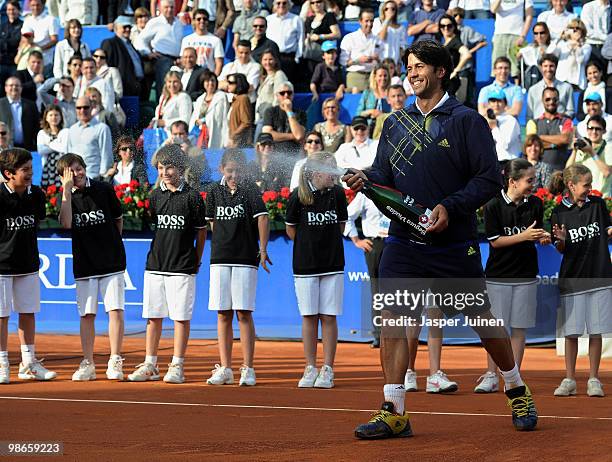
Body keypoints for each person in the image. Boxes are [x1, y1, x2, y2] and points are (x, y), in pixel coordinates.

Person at [345, 40, 538, 439]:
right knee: (394, 322)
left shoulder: (466, 120)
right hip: (401, 243)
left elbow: (488, 178)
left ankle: (515, 385)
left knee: (483, 324)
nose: (412, 73)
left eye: (419, 67)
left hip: (454, 245)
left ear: (440, 71)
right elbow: (383, 176)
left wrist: (450, 206)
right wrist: (366, 181)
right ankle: (394, 409)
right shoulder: (395, 122)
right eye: (409, 67)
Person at [128, 144, 207, 384]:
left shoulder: (193, 197)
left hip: (182, 267)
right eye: (161, 168)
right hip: (155, 266)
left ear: (181, 168)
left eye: (169, 167)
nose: (165, 172)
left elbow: (201, 233)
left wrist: (196, 259)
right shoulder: (154, 196)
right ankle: (150, 364)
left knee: (181, 318)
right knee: (153, 317)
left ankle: (177, 365)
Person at [476, 159, 549, 393]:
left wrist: (544, 236)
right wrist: (525, 236)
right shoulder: (493, 205)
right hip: (498, 275)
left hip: (526, 274)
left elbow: (535, 234)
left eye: (534, 180)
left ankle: (513, 378)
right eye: (529, 180)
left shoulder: (535, 203)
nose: (533, 184)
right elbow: (496, 242)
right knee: (495, 328)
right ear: (512, 181)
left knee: (519, 328)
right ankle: (491, 375)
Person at [57, 153, 126, 382]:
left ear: (84, 168)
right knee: (87, 314)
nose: (76, 174)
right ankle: (88, 362)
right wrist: (66, 191)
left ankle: (115, 359)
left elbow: (118, 218)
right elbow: (66, 224)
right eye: (70, 172)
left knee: (115, 310)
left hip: (111, 261)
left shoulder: (104, 189)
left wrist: (113, 245)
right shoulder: (67, 197)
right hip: (85, 263)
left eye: (78, 169)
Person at [205, 149, 271, 387]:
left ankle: (248, 368)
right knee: (223, 313)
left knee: (243, 313)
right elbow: (211, 222)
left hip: (245, 258)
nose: (233, 175)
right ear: (221, 169)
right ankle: (225, 368)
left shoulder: (251, 190)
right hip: (220, 258)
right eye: (229, 170)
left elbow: (263, 219)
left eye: (237, 170)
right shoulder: (213, 191)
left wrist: (262, 250)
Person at [549, 164, 612, 398]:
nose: (590, 188)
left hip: (600, 275)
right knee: (571, 333)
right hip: (573, 279)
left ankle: (594, 379)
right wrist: (563, 240)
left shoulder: (598, 205)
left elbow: (608, 230)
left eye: (590, 184)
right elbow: (560, 248)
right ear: (571, 185)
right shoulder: (558, 212)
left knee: (596, 331)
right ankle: (570, 379)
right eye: (586, 185)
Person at [285, 151, 347, 388]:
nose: (335, 174)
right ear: (314, 173)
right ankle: (310, 367)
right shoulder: (297, 197)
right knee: (309, 316)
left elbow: (341, 226)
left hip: (332, 263)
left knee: (329, 316)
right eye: (330, 169)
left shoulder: (338, 194)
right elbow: (292, 231)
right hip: (305, 265)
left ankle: (328, 368)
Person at [0, 148, 57, 384]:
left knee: (28, 313)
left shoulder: (37, 195)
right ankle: (2, 363)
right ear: (8, 173)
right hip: (1, 266)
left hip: (29, 264)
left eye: (31, 169)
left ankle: (28, 363)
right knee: (1, 316)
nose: (30, 174)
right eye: (24, 170)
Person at [345, 189, 390, 349]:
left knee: (399, 288)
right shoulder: (365, 194)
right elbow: (347, 215)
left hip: (396, 244)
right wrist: (356, 240)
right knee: (376, 290)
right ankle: (378, 334)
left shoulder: (397, 190)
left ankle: (397, 332)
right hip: (374, 244)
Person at [137, 0, 184, 99]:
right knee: (164, 89)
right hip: (162, 59)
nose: (169, 10)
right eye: (166, 7)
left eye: (172, 7)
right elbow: (140, 39)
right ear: (160, 8)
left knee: (178, 88)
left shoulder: (179, 23)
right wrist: (148, 53)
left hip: (177, 60)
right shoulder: (155, 22)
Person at [525, 86, 573, 171]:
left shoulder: (566, 121)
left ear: (558, 100)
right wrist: (557, 143)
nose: (551, 102)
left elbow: (565, 139)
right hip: (538, 173)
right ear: (542, 101)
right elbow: (531, 144)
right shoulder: (533, 123)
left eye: (554, 99)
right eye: (548, 99)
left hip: (561, 171)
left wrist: (540, 137)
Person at [66, 96, 113, 180]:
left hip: (94, 177)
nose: (82, 110)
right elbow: (69, 154)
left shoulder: (102, 128)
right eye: (79, 108)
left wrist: (103, 177)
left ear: (92, 108)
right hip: (75, 179)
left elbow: (106, 155)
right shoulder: (72, 130)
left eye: (86, 107)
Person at [566, 115, 612, 196]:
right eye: (591, 128)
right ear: (587, 130)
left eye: (597, 129)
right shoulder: (582, 147)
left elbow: (607, 172)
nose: (594, 131)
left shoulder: (608, 147)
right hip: (582, 197)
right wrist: (574, 150)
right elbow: (567, 171)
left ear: (604, 131)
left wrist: (591, 152)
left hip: (601, 198)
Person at [340, 9, 382, 93]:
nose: (369, 24)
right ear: (360, 21)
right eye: (366, 21)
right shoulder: (350, 38)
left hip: (373, 76)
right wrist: (358, 60)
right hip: (355, 76)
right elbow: (343, 62)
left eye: (371, 21)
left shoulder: (378, 39)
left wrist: (377, 59)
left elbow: (383, 61)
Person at [490, 0, 533, 80]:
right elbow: (493, 9)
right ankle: (497, 89)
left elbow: (529, 16)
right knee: (498, 65)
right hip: (500, 34)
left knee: (515, 68)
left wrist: (523, 36)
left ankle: (516, 90)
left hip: (517, 35)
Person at [265, 0, 304, 86]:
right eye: (278, 3)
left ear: (289, 5)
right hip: (271, 59)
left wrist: (297, 58)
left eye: (284, 3)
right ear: (274, 5)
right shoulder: (269, 19)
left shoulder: (296, 19)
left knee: (286, 87)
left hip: (288, 59)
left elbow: (301, 40)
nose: (281, 5)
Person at [262, 81, 306, 157]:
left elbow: (299, 135)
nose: (286, 95)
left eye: (289, 93)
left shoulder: (300, 113)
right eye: (282, 93)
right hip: (274, 154)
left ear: (293, 95)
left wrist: (289, 111)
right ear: (277, 95)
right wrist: (292, 136)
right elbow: (267, 135)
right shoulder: (270, 111)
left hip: (293, 154)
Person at [189, 70, 229, 149]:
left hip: (214, 133)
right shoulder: (200, 99)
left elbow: (224, 118)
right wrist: (196, 122)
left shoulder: (221, 97)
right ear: (203, 83)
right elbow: (194, 117)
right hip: (200, 135)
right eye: (207, 81)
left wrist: (226, 139)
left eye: (212, 80)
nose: (210, 83)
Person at [546, 19, 592, 90]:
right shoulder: (562, 44)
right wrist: (559, 38)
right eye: (572, 28)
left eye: (578, 28)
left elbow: (581, 60)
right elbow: (549, 53)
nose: (575, 30)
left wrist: (577, 45)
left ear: (582, 31)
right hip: (562, 80)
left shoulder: (586, 47)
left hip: (577, 83)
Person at [526, 53, 575, 119]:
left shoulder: (567, 88)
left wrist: (557, 117)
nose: (548, 69)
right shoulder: (533, 90)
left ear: (556, 67)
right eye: (545, 66)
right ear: (541, 68)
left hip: (559, 126)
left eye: (551, 66)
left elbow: (571, 112)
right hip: (539, 127)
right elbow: (529, 115)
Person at [0, 77, 40, 151]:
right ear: (5, 88)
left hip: (27, 148)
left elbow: (36, 126)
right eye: (11, 85)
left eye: (17, 85)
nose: (14, 87)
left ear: (21, 88)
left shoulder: (31, 105)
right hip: (5, 149)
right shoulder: (0, 104)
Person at [180, 9, 224, 75]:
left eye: (205, 19)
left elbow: (219, 63)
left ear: (208, 21)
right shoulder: (186, 40)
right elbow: (182, 60)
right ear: (194, 21)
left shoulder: (216, 40)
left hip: (207, 76)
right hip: (190, 75)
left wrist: (214, 78)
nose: (202, 21)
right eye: (198, 19)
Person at [302, 0, 341, 77]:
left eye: (318, 1)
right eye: (312, 3)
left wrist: (320, 37)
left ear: (324, 3)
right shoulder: (309, 19)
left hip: (325, 54)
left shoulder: (329, 16)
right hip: (311, 54)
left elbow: (337, 34)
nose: (316, 4)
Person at [21, 0, 60, 75]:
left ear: (43, 5)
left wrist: (39, 49)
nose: (35, 7)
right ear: (29, 5)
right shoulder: (27, 20)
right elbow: (23, 40)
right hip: (28, 63)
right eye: (33, 5)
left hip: (46, 62)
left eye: (38, 5)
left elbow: (54, 40)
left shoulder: (51, 20)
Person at [438, 14, 472, 98]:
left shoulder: (455, 41)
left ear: (454, 27)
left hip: (452, 81)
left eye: (449, 26)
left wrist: (456, 70)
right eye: (443, 26)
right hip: (445, 81)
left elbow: (467, 54)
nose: (446, 28)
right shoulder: (445, 42)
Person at [485, 88, 522, 164]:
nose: (496, 104)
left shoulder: (511, 120)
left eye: (499, 101)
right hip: (492, 162)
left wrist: (494, 128)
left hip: (508, 162)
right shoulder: (485, 121)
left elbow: (505, 145)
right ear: (488, 104)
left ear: (505, 104)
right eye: (493, 101)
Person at [256, 50, 289, 131]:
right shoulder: (264, 77)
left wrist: (273, 117)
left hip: (271, 118)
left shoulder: (279, 75)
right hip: (262, 115)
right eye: (265, 59)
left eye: (270, 59)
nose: (268, 62)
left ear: (275, 60)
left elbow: (279, 97)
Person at [37, 104, 68, 188]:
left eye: (56, 115)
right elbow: (41, 150)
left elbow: (64, 148)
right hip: (48, 169)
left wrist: (49, 144)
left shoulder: (65, 132)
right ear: (46, 118)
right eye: (51, 115)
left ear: (60, 117)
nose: (54, 117)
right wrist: (57, 145)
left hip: (63, 167)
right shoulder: (42, 133)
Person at [517, 22, 551, 90]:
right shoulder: (529, 47)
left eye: (542, 33)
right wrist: (519, 59)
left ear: (547, 34)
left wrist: (545, 56)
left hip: (547, 83)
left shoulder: (553, 47)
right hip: (531, 81)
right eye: (536, 33)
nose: (539, 36)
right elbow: (521, 67)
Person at [356, 65, 391, 130]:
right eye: (380, 76)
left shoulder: (392, 93)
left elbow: (396, 112)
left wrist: (382, 115)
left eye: (385, 76)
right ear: (375, 77)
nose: (383, 78)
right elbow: (358, 113)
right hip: (369, 126)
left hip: (388, 127)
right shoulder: (367, 93)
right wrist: (371, 111)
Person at [372, 0, 407, 66]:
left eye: (393, 9)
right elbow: (381, 37)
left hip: (394, 63)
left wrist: (399, 63)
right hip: (380, 62)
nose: (390, 11)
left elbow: (402, 48)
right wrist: (387, 19)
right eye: (386, 9)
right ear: (383, 10)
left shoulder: (401, 28)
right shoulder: (377, 22)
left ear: (396, 11)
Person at [0, 0, 23, 97]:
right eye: (8, 9)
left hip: (15, 63)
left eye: (13, 9)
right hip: (2, 63)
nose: (11, 12)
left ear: (18, 10)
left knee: (13, 89)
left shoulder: (23, 25)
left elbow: (19, 43)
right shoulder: (2, 26)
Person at [227, 73, 254, 148]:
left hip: (240, 143)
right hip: (234, 142)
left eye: (231, 83)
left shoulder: (243, 99)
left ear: (238, 84)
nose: (228, 85)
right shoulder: (235, 99)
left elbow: (246, 122)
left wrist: (233, 136)